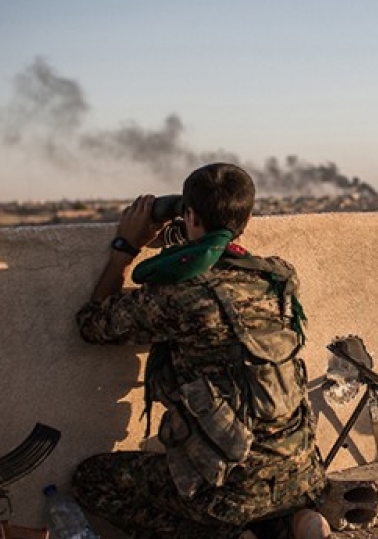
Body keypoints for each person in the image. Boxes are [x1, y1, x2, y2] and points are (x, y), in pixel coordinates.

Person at [73, 162, 329, 539]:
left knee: (90, 479)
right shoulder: (278, 277)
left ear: (189, 214)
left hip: (232, 487)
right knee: (255, 487)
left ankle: (228, 536)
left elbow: (92, 323)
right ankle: (292, 522)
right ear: (247, 217)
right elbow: (216, 262)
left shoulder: (183, 296)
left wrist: (125, 248)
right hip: (302, 473)